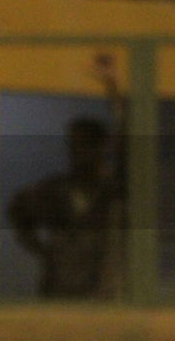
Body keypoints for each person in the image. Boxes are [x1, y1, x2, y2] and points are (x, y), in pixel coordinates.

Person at [7, 116, 118, 298]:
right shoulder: (54, 190)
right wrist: (43, 251)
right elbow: (17, 209)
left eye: (85, 144)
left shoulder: (114, 195)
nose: (78, 152)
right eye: (74, 145)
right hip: (58, 291)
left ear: (100, 147)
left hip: (102, 294)